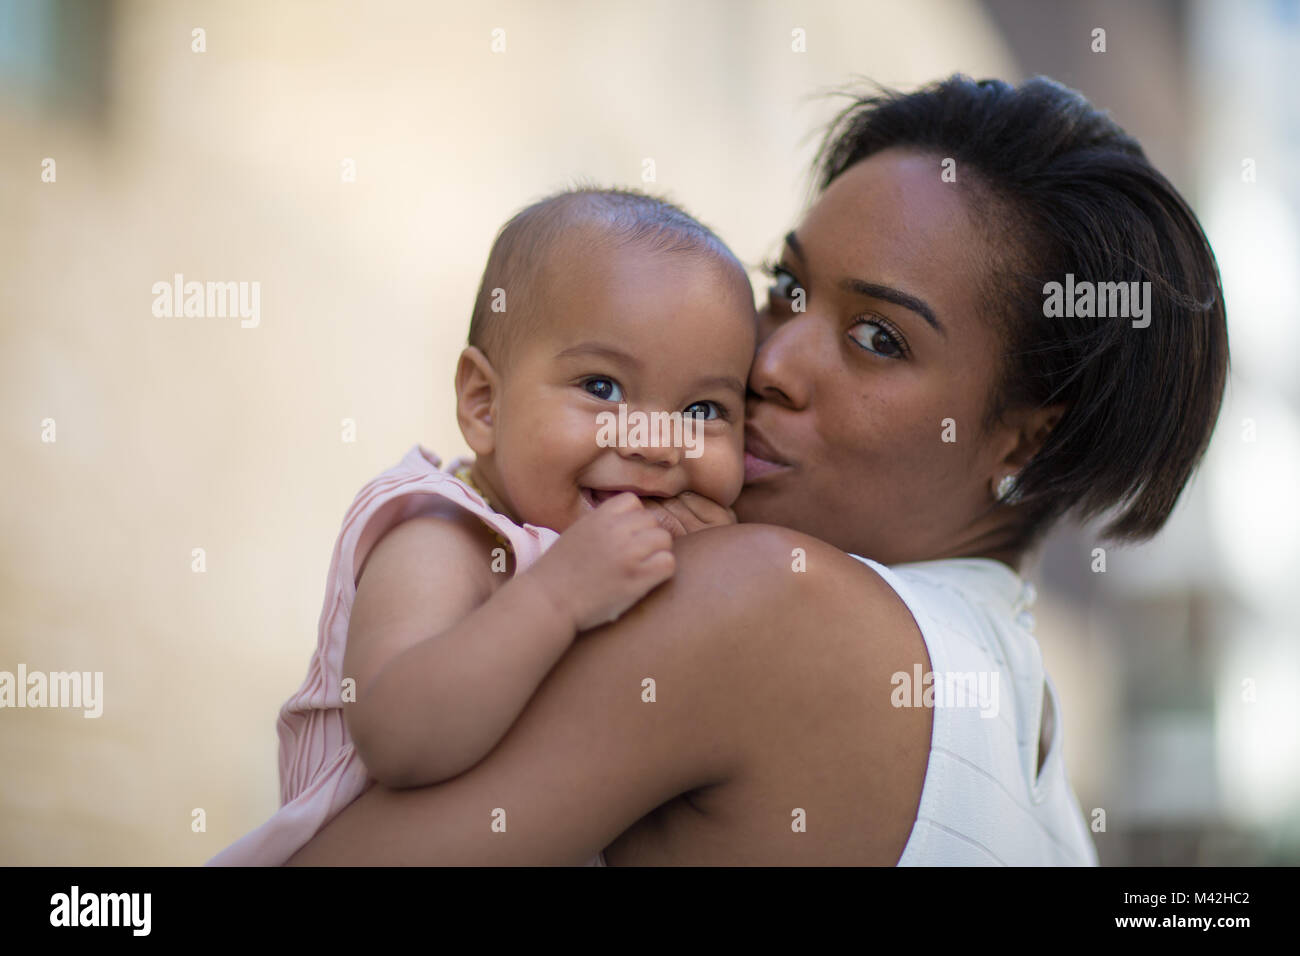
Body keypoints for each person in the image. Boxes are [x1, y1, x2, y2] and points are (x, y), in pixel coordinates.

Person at [285, 75, 1229, 866]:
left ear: (1020, 442)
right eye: (786, 289)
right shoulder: (1026, 733)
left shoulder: (766, 599)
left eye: (877, 338)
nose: (770, 362)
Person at [208, 187, 756, 866]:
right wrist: (559, 595)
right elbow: (401, 736)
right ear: (484, 404)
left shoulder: (639, 548)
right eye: (603, 388)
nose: (655, 442)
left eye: (703, 409)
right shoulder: (443, 535)